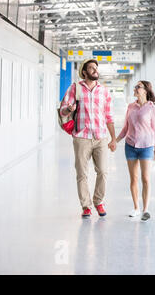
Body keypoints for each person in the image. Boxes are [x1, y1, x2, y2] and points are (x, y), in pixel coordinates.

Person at [59, 59, 116, 218]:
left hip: (100, 137)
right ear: (84, 72)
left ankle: (98, 201)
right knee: (82, 174)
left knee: (103, 171)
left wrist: (113, 138)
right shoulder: (75, 88)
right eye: (91, 68)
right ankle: (86, 206)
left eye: (96, 68)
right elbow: (63, 110)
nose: (95, 70)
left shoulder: (104, 91)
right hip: (81, 137)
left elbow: (109, 116)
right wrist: (68, 109)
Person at [114, 80, 155, 222]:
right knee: (133, 178)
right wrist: (115, 140)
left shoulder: (152, 108)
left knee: (145, 178)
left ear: (145, 90)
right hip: (131, 145)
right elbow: (126, 128)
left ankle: (146, 209)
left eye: (138, 87)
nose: (135, 89)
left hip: (146, 146)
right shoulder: (131, 107)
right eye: (135, 87)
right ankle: (136, 208)